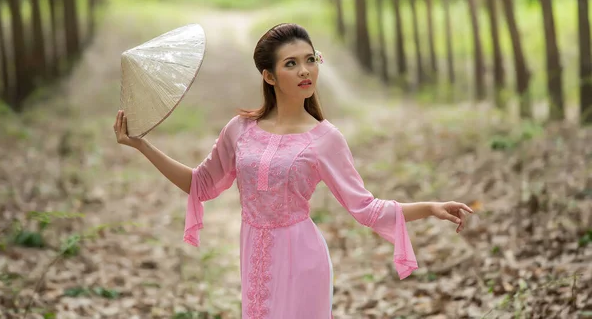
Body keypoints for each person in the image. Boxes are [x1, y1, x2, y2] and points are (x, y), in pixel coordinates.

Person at [113, 23, 474, 319]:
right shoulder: (240, 128)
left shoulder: (326, 139)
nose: (305, 71)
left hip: (303, 260)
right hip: (254, 257)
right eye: (291, 64)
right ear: (269, 76)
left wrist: (429, 208)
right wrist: (142, 145)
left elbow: (366, 208)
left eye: (310, 60)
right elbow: (201, 183)